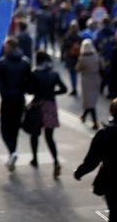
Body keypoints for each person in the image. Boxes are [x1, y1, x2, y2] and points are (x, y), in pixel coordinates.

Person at [0, 36, 31, 171]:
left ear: (9, 47)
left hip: (7, 100)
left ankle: (12, 152)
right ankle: (12, 153)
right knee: (14, 128)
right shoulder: (25, 62)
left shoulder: (3, 62)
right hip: (19, 99)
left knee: (4, 128)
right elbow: (29, 82)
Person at [27, 50, 67, 179]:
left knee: (34, 134)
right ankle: (55, 161)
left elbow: (30, 90)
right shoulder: (54, 74)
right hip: (50, 106)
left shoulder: (35, 73)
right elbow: (64, 89)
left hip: (38, 106)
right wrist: (52, 93)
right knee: (49, 137)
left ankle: (35, 159)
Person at [75, 39, 101, 130]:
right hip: (96, 79)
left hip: (86, 80)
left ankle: (95, 122)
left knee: (89, 102)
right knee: (91, 101)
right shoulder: (96, 56)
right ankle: (84, 116)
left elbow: (77, 68)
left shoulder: (83, 58)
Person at [61, 20, 82, 96]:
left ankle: (74, 88)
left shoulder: (68, 36)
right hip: (77, 57)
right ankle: (75, 87)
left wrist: (62, 56)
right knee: (75, 73)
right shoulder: (79, 36)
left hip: (70, 57)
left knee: (72, 73)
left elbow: (64, 46)